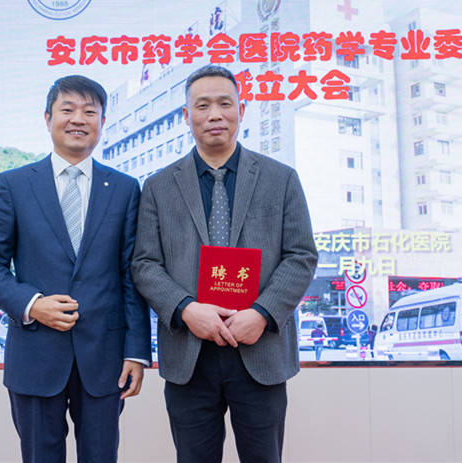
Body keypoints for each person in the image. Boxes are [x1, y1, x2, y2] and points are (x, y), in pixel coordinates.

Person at [131, 65, 318, 463]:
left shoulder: (281, 178)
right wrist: (186, 309)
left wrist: (262, 313)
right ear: (187, 116)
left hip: (260, 349)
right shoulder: (158, 186)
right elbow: (145, 263)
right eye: (202, 106)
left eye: (224, 104)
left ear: (241, 110)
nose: (214, 114)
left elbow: (301, 255)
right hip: (190, 353)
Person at [0, 75, 151, 462]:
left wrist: (136, 352)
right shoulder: (15, 184)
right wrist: (32, 304)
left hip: (104, 358)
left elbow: (131, 274)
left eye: (90, 111)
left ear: (102, 121)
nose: (78, 119)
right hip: (35, 355)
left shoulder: (124, 189)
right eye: (67, 109)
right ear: (48, 117)